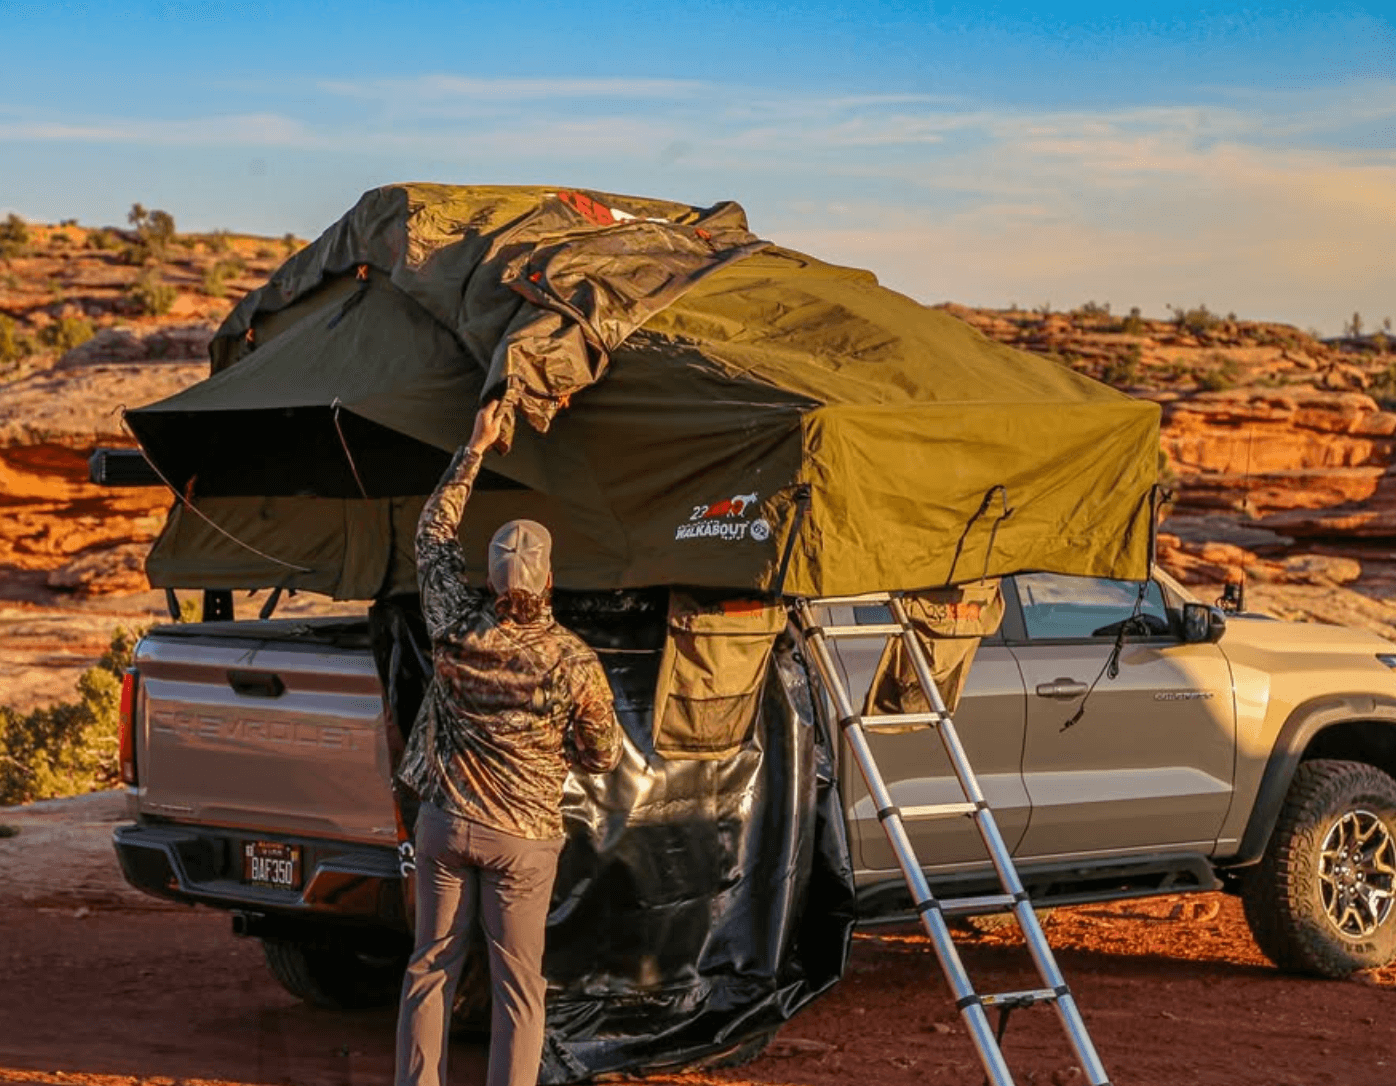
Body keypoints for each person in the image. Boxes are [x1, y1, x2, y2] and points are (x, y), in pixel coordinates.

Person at [395, 399, 623, 1086]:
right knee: (518, 988)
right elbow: (603, 754)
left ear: (491, 578)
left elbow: (433, 531)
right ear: (548, 578)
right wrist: (559, 752)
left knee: (429, 967)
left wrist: (475, 446)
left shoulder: (453, 623)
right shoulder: (572, 660)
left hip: (446, 823)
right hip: (524, 840)